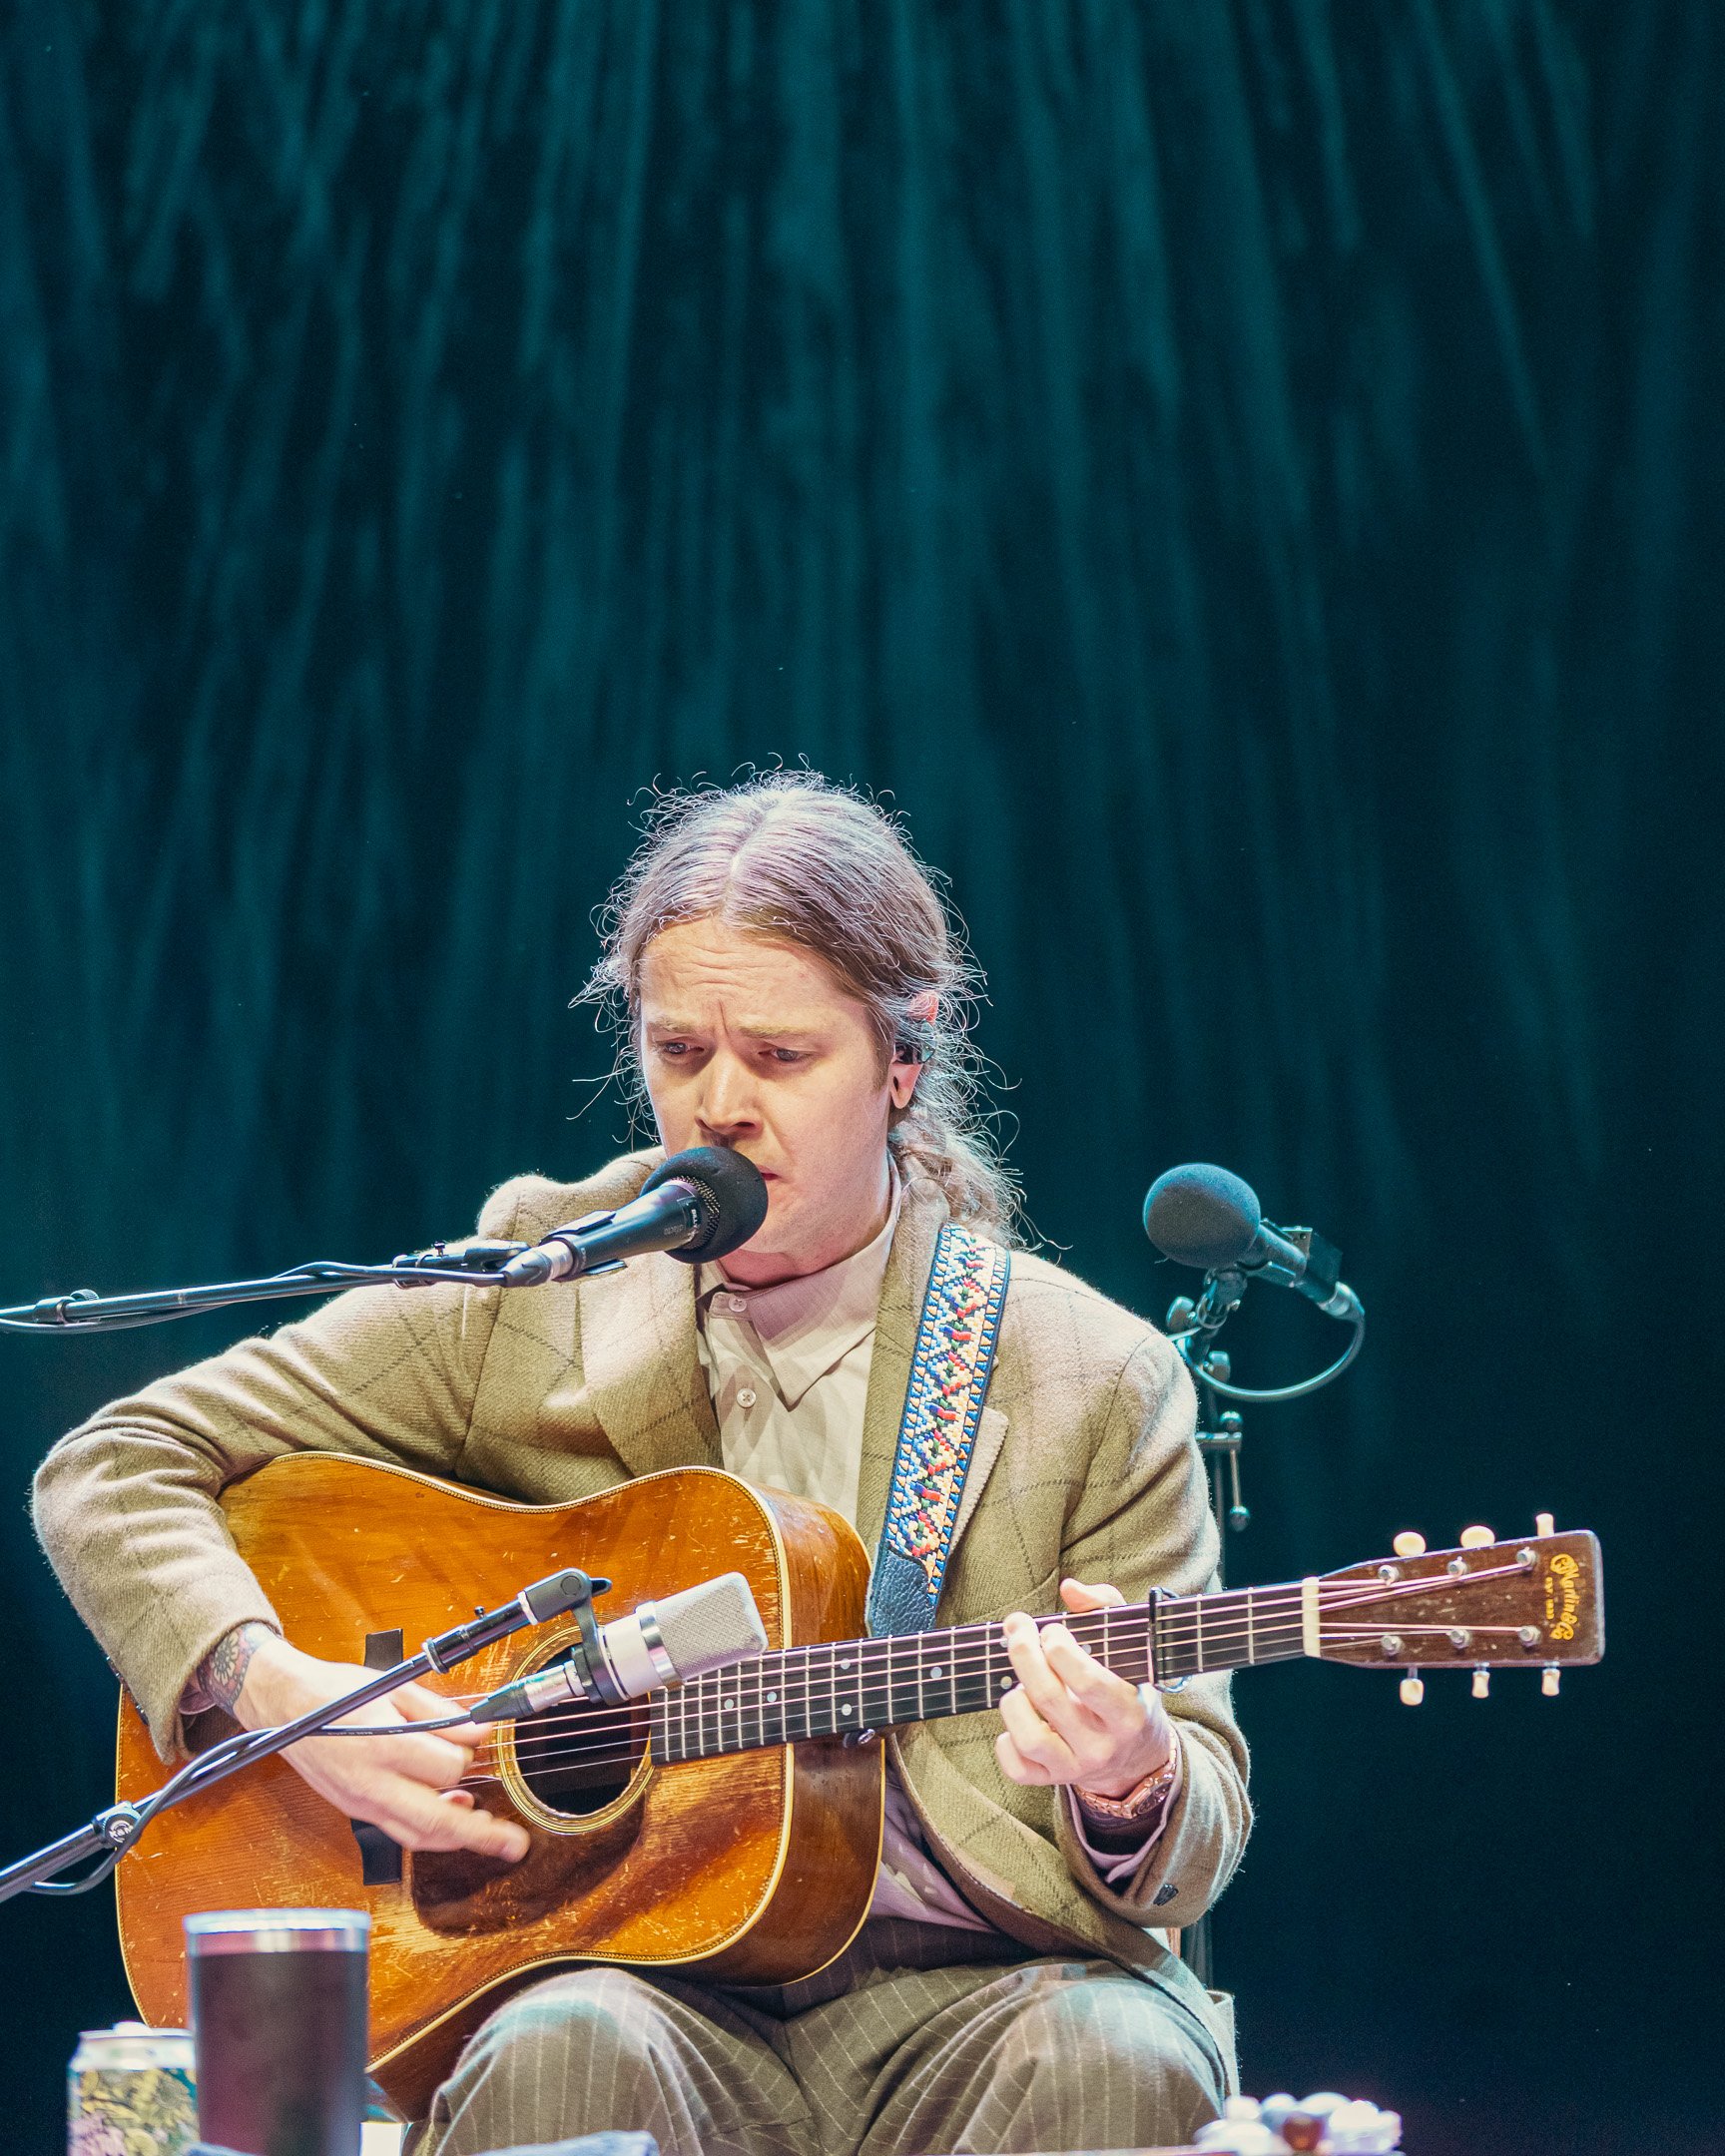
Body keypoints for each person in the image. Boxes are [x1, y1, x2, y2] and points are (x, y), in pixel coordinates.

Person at [34, 775, 1251, 2156]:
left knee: (1111, 2057)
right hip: (642, 1983)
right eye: (679, 1053)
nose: (717, 1106)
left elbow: (1197, 1824)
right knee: (566, 2052)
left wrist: (1133, 1778)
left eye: (782, 1060)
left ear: (902, 1061)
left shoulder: (1087, 1376)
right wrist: (291, 1696)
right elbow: (119, 1461)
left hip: (981, 1993)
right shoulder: (538, 1292)